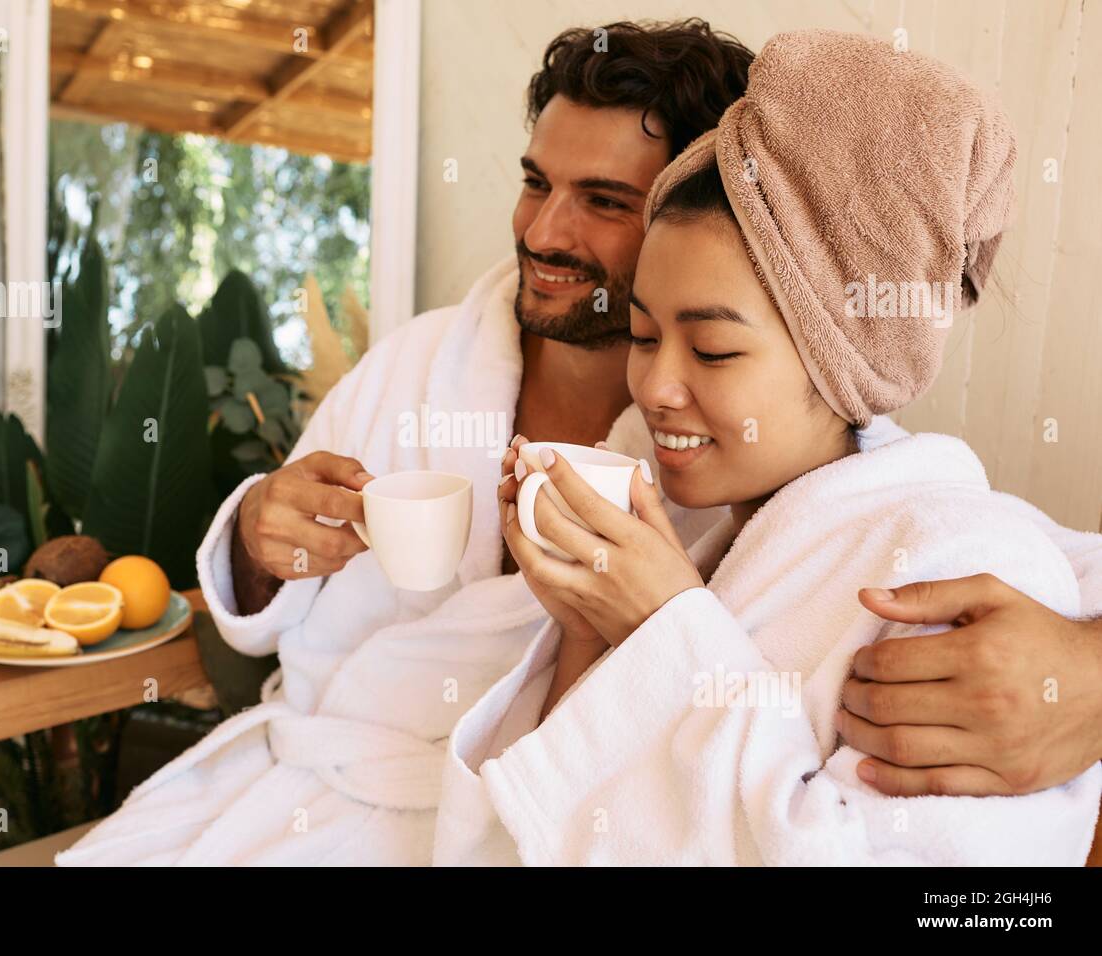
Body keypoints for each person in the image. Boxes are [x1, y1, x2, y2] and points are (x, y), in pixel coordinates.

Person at [58, 21, 1102, 866]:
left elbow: (1020, 560)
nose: (544, 232)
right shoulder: (423, 363)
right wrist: (256, 536)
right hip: (319, 782)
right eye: (534, 182)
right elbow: (277, 607)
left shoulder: (785, 470)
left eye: (603, 201)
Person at [438, 28, 1101, 865]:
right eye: (643, 336)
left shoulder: (955, 576)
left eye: (712, 350)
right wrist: (587, 630)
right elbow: (542, 827)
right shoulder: (707, 527)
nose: (655, 387)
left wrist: (663, 630)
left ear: (842, 364)